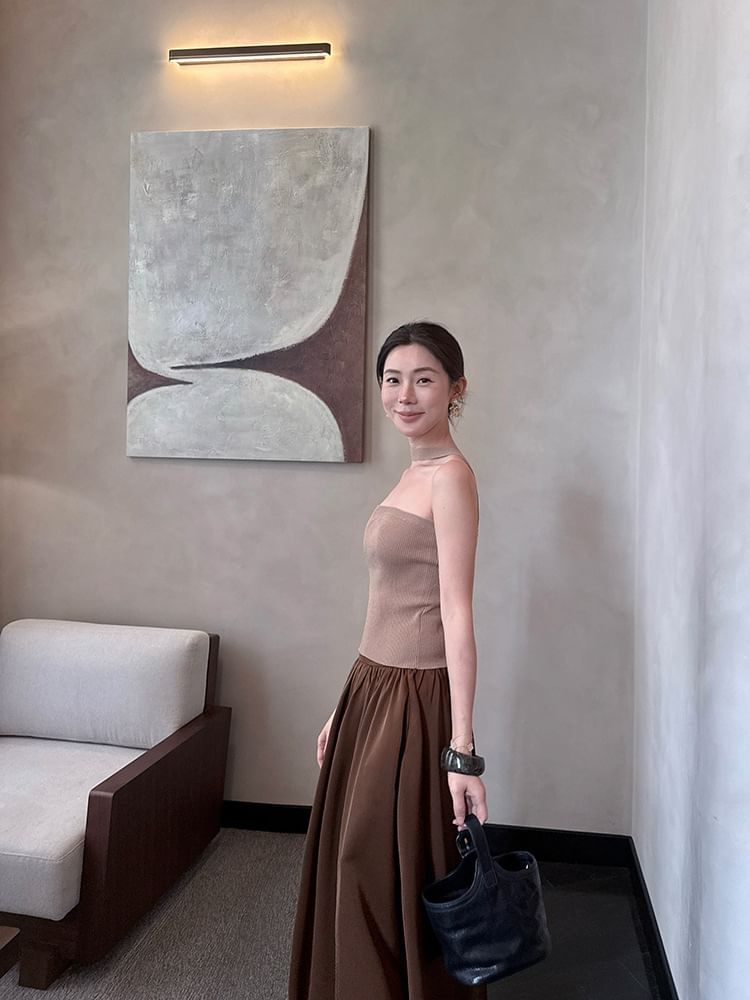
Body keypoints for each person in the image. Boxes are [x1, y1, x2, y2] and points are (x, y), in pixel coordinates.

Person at [288, 321, 488, 1000]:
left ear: (455, 389)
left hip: (415, 698)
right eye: (392, 379)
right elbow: (388, 604)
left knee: (373, 865)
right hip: (371, 688)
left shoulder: (451, 478)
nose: (404, 395)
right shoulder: (412, 472)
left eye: (423, 379)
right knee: (358, 864)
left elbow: (457, 614)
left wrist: (462, 752)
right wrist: (341, 707)